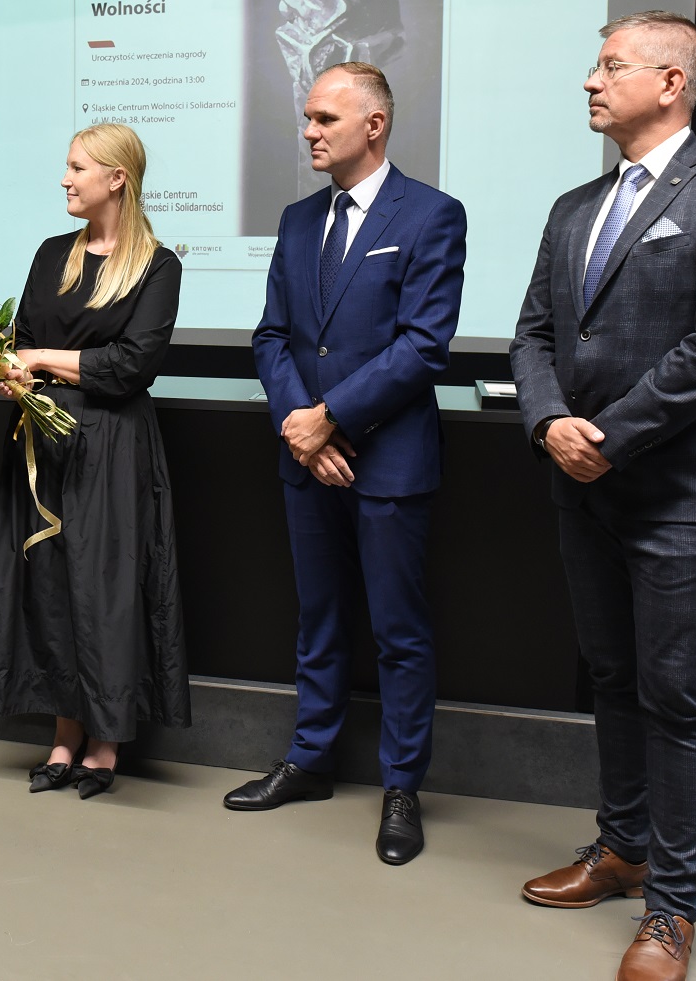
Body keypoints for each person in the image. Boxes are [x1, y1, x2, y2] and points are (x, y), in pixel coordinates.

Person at [509, 11, 696, 981]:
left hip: (686, 494)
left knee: (678, 699)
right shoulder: (573, 206)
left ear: (671, 81)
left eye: (609, 65)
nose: (590, 81)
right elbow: (533, 334)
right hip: (583, 489)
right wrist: (549, 423)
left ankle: (670, 908)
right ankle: (622, 848)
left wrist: (609, 435)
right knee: (612, 679)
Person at [225, 61, 466, 867]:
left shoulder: (431, 214)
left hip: (388, 461)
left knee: (398, 632)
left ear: (374, 123)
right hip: (307, 459)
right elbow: (271, 336)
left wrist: (327, 419)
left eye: (324, 118)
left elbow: (423, 345)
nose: (308, 132)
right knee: (318, 618)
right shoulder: (298, 220)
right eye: (306, 117)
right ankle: (310, 760)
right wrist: (302, 428)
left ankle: (401, 787)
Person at [0, 122, 190, 799]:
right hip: (43, 442)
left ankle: (105, 744)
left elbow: (130, 366)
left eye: (77, 167)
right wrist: (10, 371)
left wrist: (40, 359)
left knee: (105, 591)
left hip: (111, 447)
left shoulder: (158, 265)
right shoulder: (51, 254)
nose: (65, 179)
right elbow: (22, 340)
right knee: (50, 587)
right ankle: (65, 736)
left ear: (116, 178)